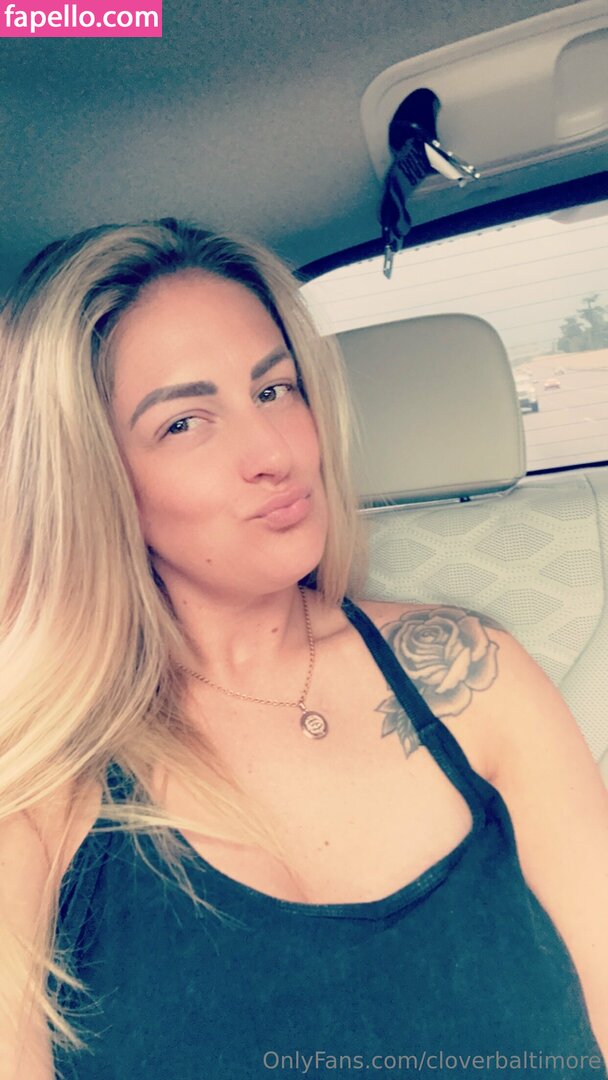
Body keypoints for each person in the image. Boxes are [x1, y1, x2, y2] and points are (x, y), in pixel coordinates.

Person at [0, 218, 606, 1080]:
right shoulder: (39, 784)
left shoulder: (472, 671)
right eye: (184, 422)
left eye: (275, 389)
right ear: (92, 479)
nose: (273, 452)